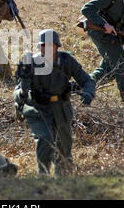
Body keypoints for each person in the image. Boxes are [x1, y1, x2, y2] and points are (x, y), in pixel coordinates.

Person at [13, 29, 95, 175]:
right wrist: (22, 92)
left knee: (64, 148)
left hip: (61, 109)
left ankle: (63, 180)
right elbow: (17, 91)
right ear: (40, 47)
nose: (48, 48)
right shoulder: (30, 62)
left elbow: (87, 80)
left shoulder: (66, 61)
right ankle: (43, 174)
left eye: (51, 45)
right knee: (45, 138)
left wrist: (88, 93)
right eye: (44, 45)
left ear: (57, 46)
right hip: (37, 109)